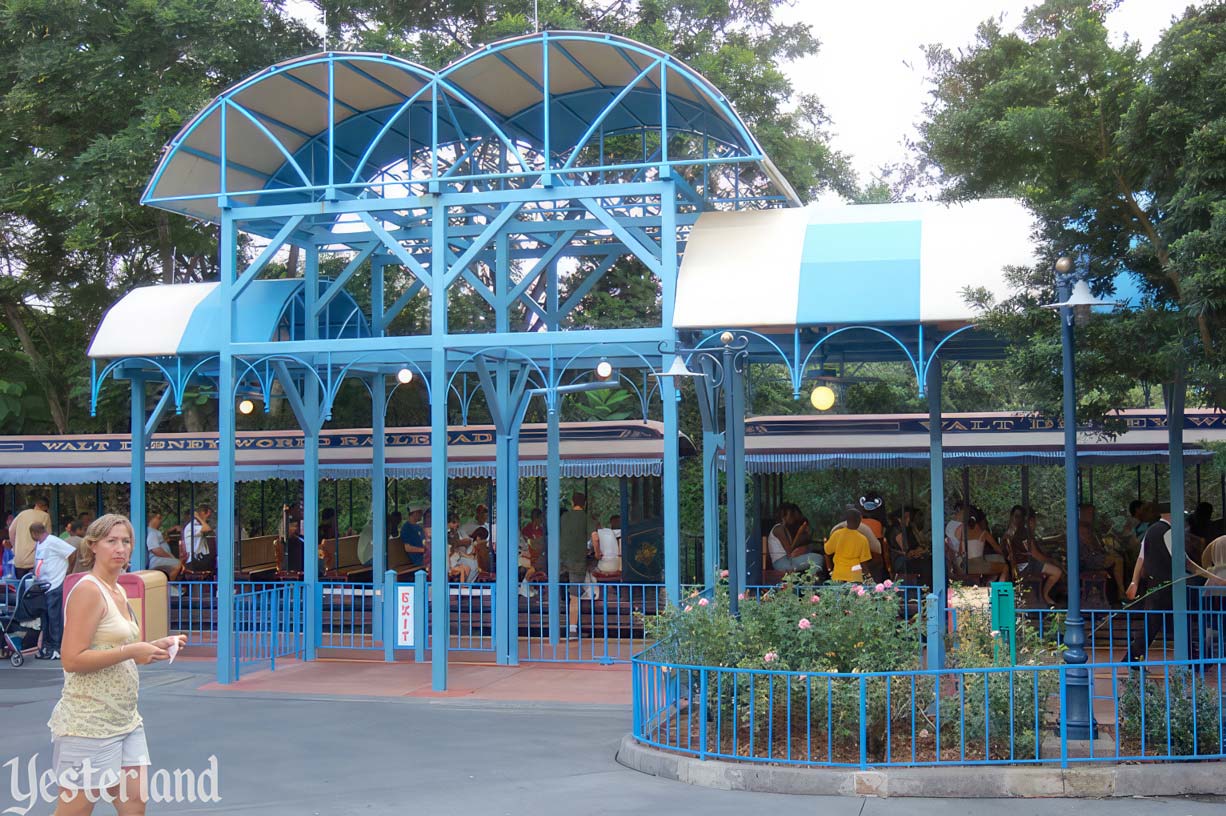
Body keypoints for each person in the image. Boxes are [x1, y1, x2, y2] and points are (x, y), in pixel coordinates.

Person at [48, 514, 186, 812]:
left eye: (126, 541)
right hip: (89, 721)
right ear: (93, 546)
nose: (120, 548)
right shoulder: (88, 589)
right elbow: (71, 659)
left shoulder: (119, 590)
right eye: (111, 541)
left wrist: (151, 647)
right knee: (76, 808)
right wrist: (131, 651)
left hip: (124, 719)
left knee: (134, 803)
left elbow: (118, 647)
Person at [1125, 503, 1199, 661]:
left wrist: (1134, 582)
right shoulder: (1168, 532)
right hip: (1168, 585)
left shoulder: (1150, 530)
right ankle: (1132, 657)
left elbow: (1141, 557)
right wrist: (1207, 574)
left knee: (1167, 622)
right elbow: (1183, 561)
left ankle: (1193, 657)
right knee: (1159, 623)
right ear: (1170, 514)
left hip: (1157, 584)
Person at [32, 522, 77, 660]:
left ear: (34, 533)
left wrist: (68, 571)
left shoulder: (52, 541)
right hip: (44, 584)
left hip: (55, 582)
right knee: (46, 618)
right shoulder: (40, 543)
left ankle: (57, 647)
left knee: (54, 617)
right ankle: (47, 646)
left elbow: (71, 552)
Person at [1005, 507, 1063, 605]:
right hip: (1026, 565)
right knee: (1057, 572)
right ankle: (1045, 596)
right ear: (1030, 520)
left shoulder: (1018, 532)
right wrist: (1049, 561)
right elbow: (1034, 554)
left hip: (1025, 564)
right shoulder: (1023, 533)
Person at [559, 493, 592, 637]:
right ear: (585, 503)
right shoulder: (587, 518)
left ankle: (556, 626)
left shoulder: (563, 518)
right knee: (574, 595)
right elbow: (595, 537)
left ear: (572, 502)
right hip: (578, 561)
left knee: (558, 591)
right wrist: (595, 553)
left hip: (561, 560)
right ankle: (572, 629)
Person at [767, 505, 823, 573]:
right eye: (790, 515)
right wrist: (799, 533)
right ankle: (808, 581)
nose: (792, 517)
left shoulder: (784, 528)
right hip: (781, 563)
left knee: (817, 557)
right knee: (818, 558)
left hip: (787, 560)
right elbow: (790, 552)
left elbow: (792, 548)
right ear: (784, 516)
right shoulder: (779, 529)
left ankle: (808, 580)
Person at [825, 508, 872, 583]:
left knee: (839, 594)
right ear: (859, 521)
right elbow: (863, 563)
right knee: (854, 594)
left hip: (839, 573)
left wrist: (825, 542)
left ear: (847, 520)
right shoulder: (863, 539)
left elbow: (827, 551)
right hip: (855, 575)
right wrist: (869, 577)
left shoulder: (837, 534)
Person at [9, 495, 51, 580]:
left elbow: (11, 530)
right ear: (45, 507)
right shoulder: (45, 516)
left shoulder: (22, 514)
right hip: (35, 560)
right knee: (34, 589)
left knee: (21, 588)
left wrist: (14, 547)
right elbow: (47, 538)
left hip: (19, 560)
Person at [964, 507, 1010, 580]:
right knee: (1005, 567)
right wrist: (1006, 554)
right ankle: (999, 590)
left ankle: (988, 584)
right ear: (980, 522)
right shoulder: (984, 533)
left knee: (991, 567)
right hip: (978, 565)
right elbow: (997, 549)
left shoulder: (963, 534)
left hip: (966, 566)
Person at [145, 512, 183, 582]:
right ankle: (168, 585)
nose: (160, 521)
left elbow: (164, 536)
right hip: (157, 560)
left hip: (159, 559)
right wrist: (170, 556)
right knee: (178, 563)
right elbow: (155, 549)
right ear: (152, 519)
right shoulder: (152, 532)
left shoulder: (154, 531)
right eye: (158, 518)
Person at [180, 505, 214, 573]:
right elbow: (207, 529)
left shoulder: (198, 525)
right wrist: (199, 517)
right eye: (208, 516)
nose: (208, 519)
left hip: (201, 558)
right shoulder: (192, 525)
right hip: (194, 560)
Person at [446, 512, 479, 583]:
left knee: (475, 564)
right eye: (453, 522)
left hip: (459, 556)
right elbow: (452, 545)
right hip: (450, 559)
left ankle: (467, 583)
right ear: (448, 523)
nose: (456, 524)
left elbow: (467, 542)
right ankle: (464, 585)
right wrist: (459, 542)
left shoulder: (458, 532)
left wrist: (459, 543)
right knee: (470, 565)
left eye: (457, 522)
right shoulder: (445, 533)